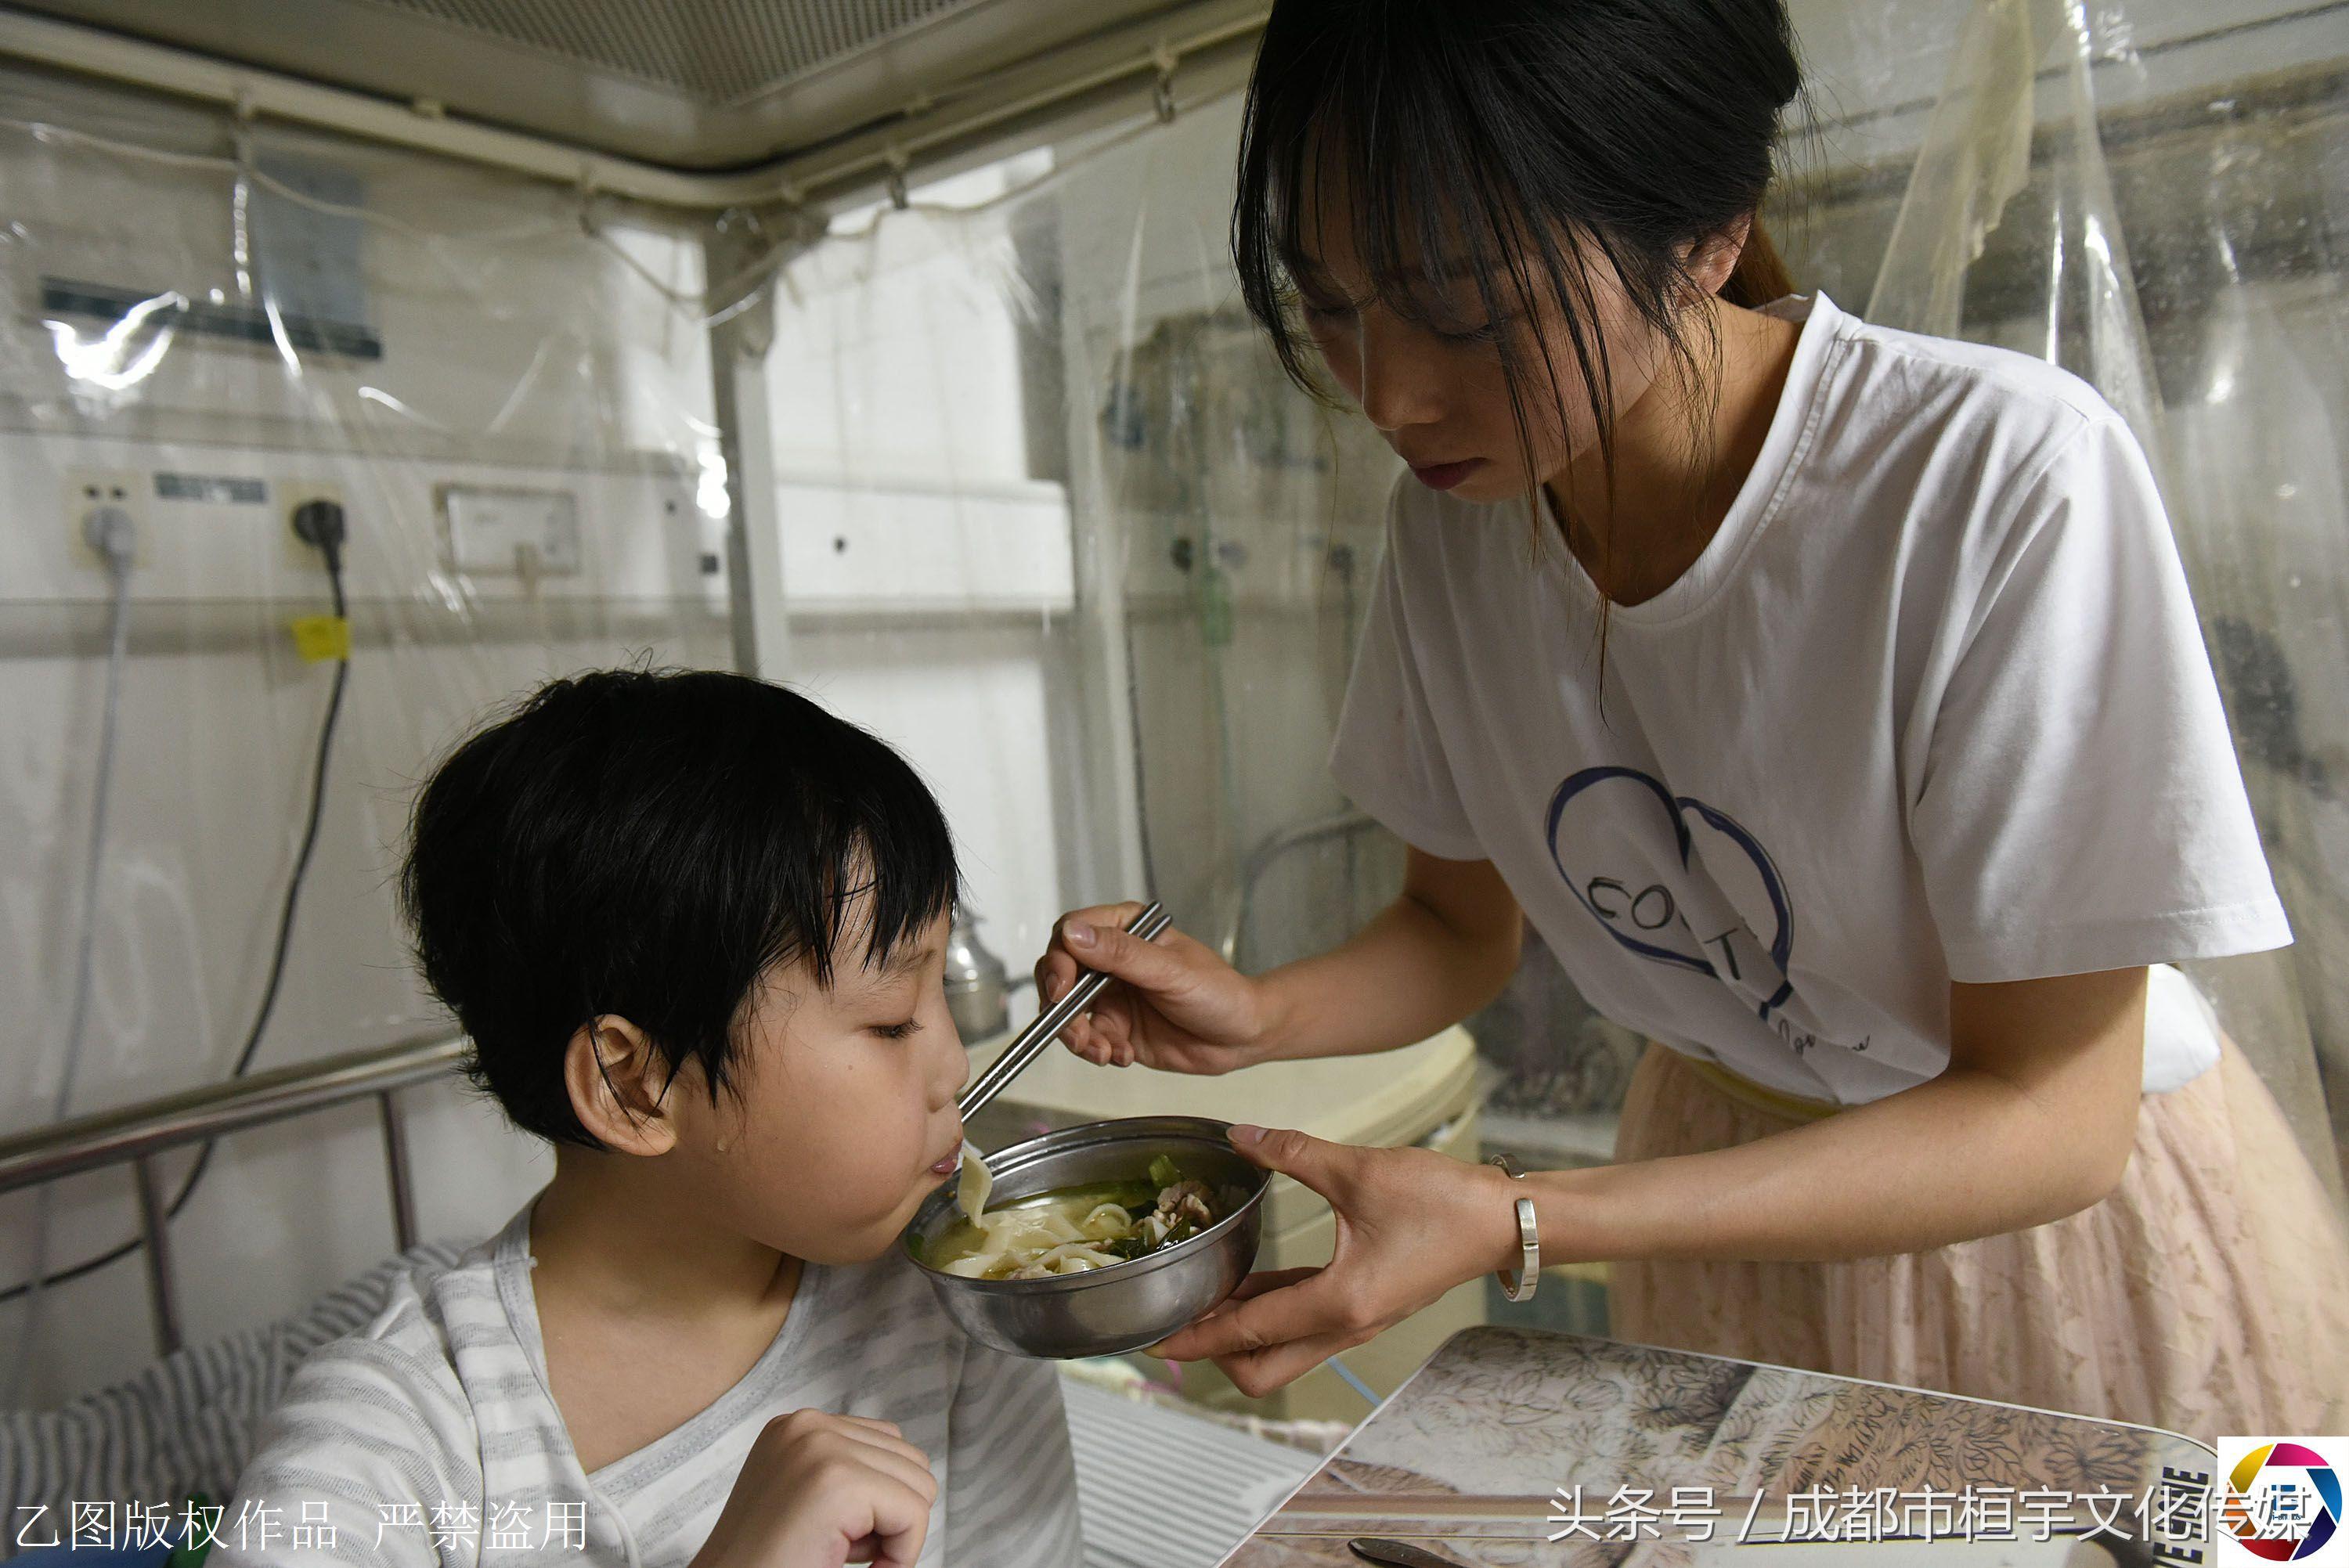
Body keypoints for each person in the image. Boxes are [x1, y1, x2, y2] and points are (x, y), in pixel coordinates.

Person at [1034, 0, 2349, 1433]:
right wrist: (1261, 1012)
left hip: (2038, 1241)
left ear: (1710, 232)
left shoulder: (1997, 484)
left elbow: (2049, 1112)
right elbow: (1457, 926)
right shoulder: (1455, 530)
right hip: (1720, 1193)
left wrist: (1522, 1214)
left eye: (1469, 309)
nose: (1392, 394)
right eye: (1332, 306)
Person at [223, 670, 1081, 1567]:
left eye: (938, 988)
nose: (952, 1064)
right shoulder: (398, 1446)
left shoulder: (950, 1298)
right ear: (633, 1084)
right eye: (892, 1018)